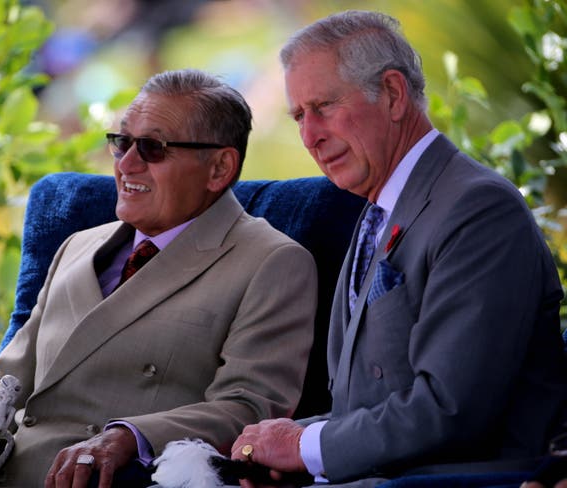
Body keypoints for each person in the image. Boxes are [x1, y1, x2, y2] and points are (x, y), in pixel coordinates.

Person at [0, 68, 318, 487]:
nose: (127, 165)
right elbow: (2, 389)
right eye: (121, 142)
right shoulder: (77, 246)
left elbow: (248, 408)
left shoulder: (271, 262)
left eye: (152, 147)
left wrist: (130, 437)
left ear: (220, 167)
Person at [229, 10, 567, 488]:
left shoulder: (477, 208)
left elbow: (451, 409)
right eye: (299, 116)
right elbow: (366, 407)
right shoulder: (377, 208)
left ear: (392, 94)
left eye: (323, 106)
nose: (310, 137)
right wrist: (286, 445)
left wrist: (304, 448)